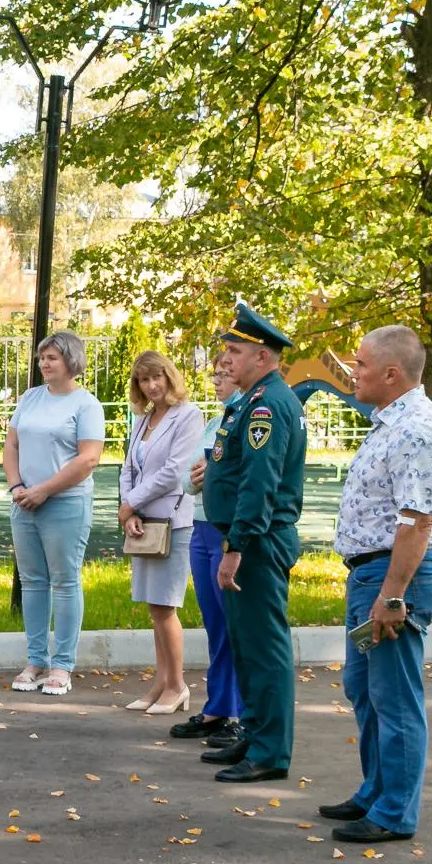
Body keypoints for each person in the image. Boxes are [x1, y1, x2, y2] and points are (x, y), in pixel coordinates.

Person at [319, 326, 432, 843]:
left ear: (391, 374)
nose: (354, 371)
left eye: (361, 364)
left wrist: (392, 595)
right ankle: (376, 791)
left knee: (394, 698)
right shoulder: (392, 423)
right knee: (367, 690)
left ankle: (394, 812)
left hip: (394, 577)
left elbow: (417, 521)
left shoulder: (416, 428)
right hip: (372, 574)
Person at [199, 303, 307, 784]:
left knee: (264, 649)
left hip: (258, 543)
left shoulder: (267, 405)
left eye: (235, 351)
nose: (226, 360)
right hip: (245, 539)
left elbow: (258, 484)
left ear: (262, 357)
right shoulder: (251, 400)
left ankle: (270, 752)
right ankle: (257, 736)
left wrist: (236, 547)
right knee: (246, 646)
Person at [2, 331, 106, 697]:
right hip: (24, 503)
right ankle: (36, 660)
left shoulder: (86, 405)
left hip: (65, 503)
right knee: (32, 581)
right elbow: (11, 444)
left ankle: (62, 665)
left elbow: (88, 458)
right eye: (42, 357)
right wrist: (17, 488)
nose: (45, 363)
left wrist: (44, 490)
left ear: (70, 362)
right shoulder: (30, 398)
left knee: (64, 581)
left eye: (53, 358)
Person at [117, 351, 204, 715]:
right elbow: (127, 468)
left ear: (170, 377)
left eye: (157, 378)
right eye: (143, 380)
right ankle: (160, 683)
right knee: (154, 607)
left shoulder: (189, 416)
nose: (151, 386)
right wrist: (129, 509)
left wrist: (131, 502)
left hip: (173, 521)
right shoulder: (143, 419)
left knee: (166, 606)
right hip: (143, 522)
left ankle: (177, 686)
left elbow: (173, 471)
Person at [176, 358, 245, 748]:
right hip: (201, 526)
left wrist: (211, 477)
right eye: (215, 375)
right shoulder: (216, 422)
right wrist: (197, 478)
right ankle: (218, 706)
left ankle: (238, 713)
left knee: (234, 623)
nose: (217, 382)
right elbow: (187, 479)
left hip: (226, 529)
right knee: (214, 622)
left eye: (225, 375)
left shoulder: (250, 420)